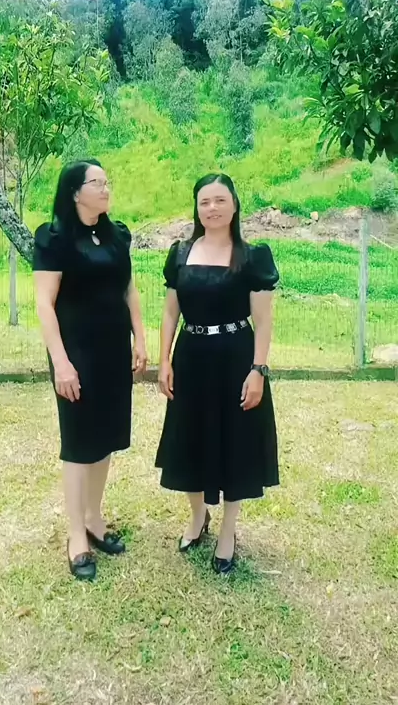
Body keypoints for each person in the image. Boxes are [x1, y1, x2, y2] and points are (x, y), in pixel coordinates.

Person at [156, 173, 279, 574]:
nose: (212, 208)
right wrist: (164, 360)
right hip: (191, 358)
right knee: (189, 438)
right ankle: (198, 516)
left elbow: (263, 321)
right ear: (196, 208)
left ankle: (228, 530)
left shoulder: (252, 256)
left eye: (220, 200)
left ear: (234, 205)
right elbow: (170, 313)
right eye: (204, 201)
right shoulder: (180, 253)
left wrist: (258, 370)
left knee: (235, 443)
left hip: (235, 359)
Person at [33, 159, 147, 582]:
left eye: (106, 181)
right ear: (75, 192)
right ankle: (75, 534)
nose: (105, 188)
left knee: (106, 437)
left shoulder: (117, 236)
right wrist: (61, 362)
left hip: (113, 349)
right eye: (96, 183)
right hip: (76, 352)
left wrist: (141, 337)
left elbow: (128, 289)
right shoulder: (55, 238)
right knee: (80, 441)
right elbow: (45, 303)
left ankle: (94, 519)